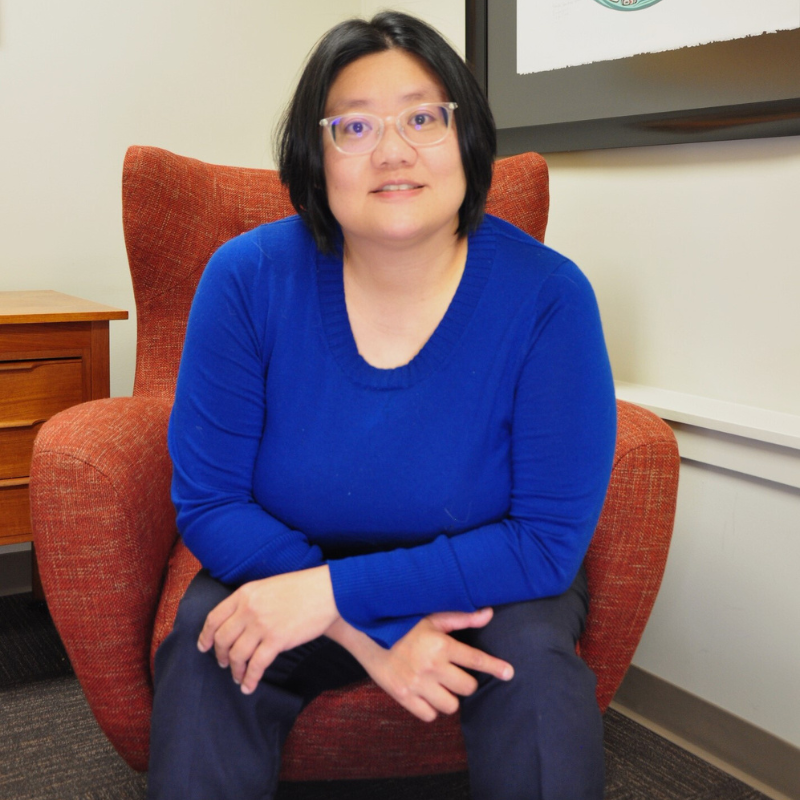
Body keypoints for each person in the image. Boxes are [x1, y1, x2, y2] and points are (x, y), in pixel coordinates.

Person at [146, 10, 617, 800]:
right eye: (355, 126)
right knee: (211, 642)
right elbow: (212, 501)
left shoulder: (550, 296)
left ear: (466, 138)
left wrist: (334, 596)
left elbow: (543, 544)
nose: (393, 150)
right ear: (315, 157)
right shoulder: (244, 280)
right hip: (286, 554)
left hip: (483, 570)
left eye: (422, 118)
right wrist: (368, 630)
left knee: (534, 666)